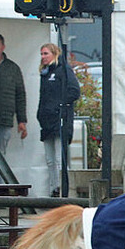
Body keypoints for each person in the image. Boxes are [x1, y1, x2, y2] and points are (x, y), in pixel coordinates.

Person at [37, 43, 81, 197]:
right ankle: (53, 188)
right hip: (47, 121)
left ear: (54, 54)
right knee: (49, 159)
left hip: (59, 119)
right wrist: (40, 114)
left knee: (59, 158)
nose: (43, 57)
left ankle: (63, 188)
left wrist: (60, 106)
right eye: (41, 54)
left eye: (46, 54)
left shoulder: (63, 70)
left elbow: (75, 91)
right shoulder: (45, 73)